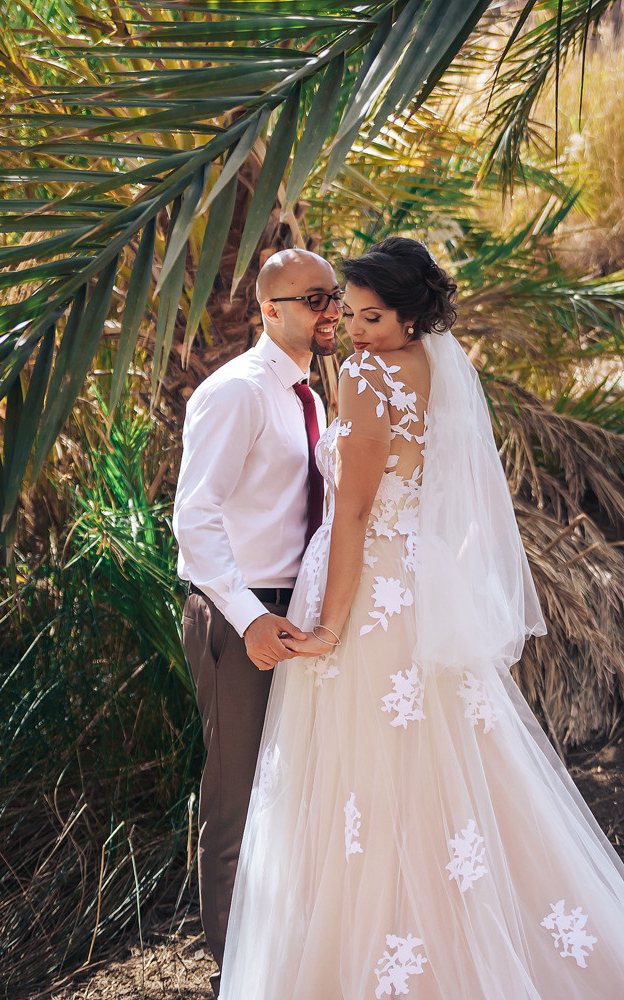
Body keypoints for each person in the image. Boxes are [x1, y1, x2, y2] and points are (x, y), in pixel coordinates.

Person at [218, 237, 624, 999]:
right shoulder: (438, 366)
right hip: (419, 582)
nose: (355, 330)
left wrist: (330, 625)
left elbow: (354, 513)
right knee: (444, 765)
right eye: (348, 312)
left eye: (372, 317)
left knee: (361, 772)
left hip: (366, 590)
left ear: (412, 316)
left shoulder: (365, 376)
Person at [173, 247, 342, 996]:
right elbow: (194, 519)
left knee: (294, 787)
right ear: (269, 310)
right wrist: (248, 620)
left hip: (295, 611)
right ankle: (233, 973)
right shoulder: (237, 392)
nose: (331, 310)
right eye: (313, 299)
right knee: (237, 797)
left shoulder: (311, 396)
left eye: (334, 295)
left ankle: (281, 961)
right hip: (239, 613)